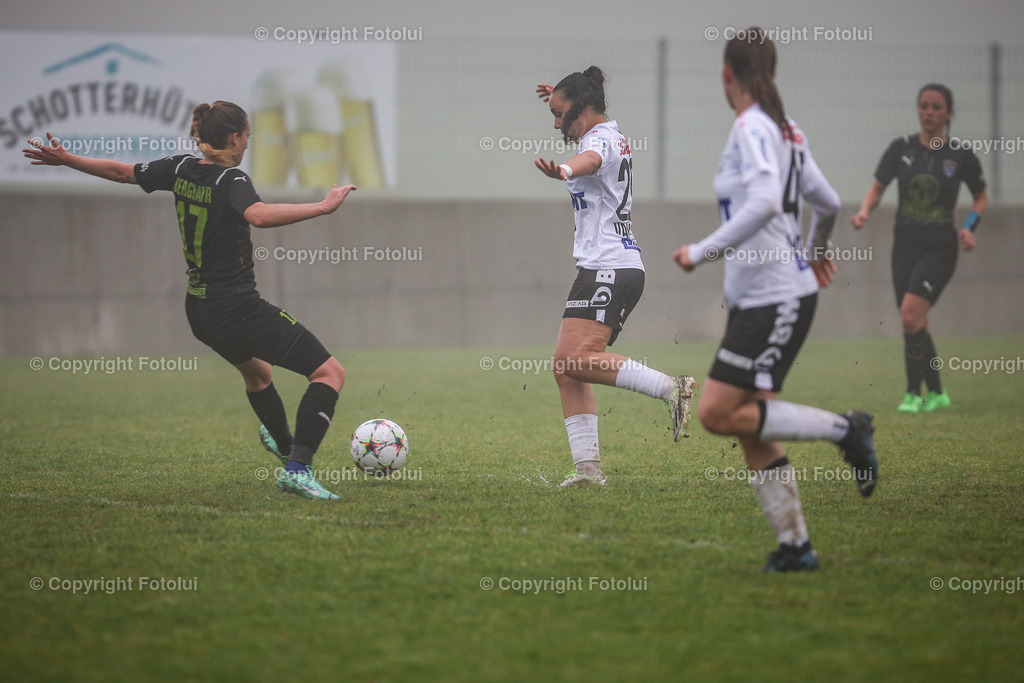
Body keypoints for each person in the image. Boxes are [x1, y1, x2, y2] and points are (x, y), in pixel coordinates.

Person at [23, 101, 357, 501]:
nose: (247, 144)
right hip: (237, 308)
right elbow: (259, 216)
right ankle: (298, 470)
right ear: (234, 138)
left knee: (258, 376)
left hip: (200, 310)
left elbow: (123, 172)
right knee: (329, 373)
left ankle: (285, 446)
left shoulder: (181, 168)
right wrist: (323, 207)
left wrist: (67, 159)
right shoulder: (232, 178)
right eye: (247, 137)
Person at [673, 28, 878, 572]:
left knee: (717, 412)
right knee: (748, 421)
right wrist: (814, 252)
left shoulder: (752, 128)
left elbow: (765, 201)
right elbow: (827, 203)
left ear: (726, 74)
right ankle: (796, 548)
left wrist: (700, 251)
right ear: (773, 73)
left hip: (775, 300)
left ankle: (846, 429)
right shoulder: (787, 130)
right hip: (764, 299)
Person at [534, 67, 697, 488]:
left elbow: (590, 159)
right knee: (566, 367)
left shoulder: (598, 140)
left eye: (560, 114)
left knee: (576, 359)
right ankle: (588, 470)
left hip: (610, 266)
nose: (557, 125)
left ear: (583, 107)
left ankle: (671, 388)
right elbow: (591, 146)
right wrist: (562, 94)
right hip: (602, 266)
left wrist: (565, 170)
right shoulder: (608, 132)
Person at [851, 84, 987, 414]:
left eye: (936, 107)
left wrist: (969, 227)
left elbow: (980, 196)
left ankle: (913, 393)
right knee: (916, 321)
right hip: (904, 246)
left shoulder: (960, 155)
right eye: (924, 105)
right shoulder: (901, 148)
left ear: (949, 113)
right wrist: (865, 211)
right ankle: (937, 392)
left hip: (940, 248)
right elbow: (877, 187)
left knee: (910, 315)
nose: (929, 112)